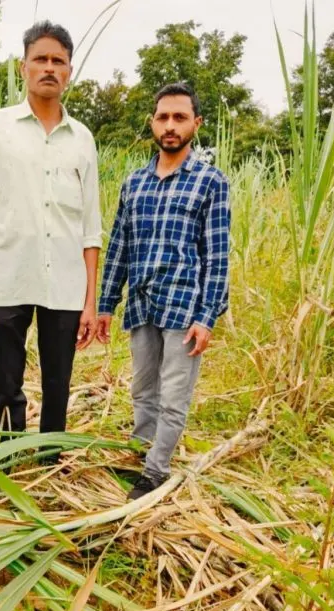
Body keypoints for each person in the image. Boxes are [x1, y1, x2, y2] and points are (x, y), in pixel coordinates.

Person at [0, 21, 103, 444]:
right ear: (23, 66)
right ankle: (7, 458)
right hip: (7, 278)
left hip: (65, 284)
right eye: (40, 59)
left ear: (69, 72)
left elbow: (90, 228)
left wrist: (90, 302)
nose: (49, 68)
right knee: (5, 380)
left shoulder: (82, 139)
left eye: (58, 61)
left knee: (58, 382)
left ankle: (49, 459)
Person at [96, 82, 231, 500]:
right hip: (141, 302)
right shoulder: (134, 183)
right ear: (153, 123)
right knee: (142, 388)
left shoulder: (210, 182)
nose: (170, 126)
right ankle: (140, 452)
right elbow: (119, 245)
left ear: (196, 123)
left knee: (174, 394)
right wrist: (105, 304)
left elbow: (218, 255)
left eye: (180, 117)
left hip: (184, 307)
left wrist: (207, 316)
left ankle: (155, 472)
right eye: (163, 117)